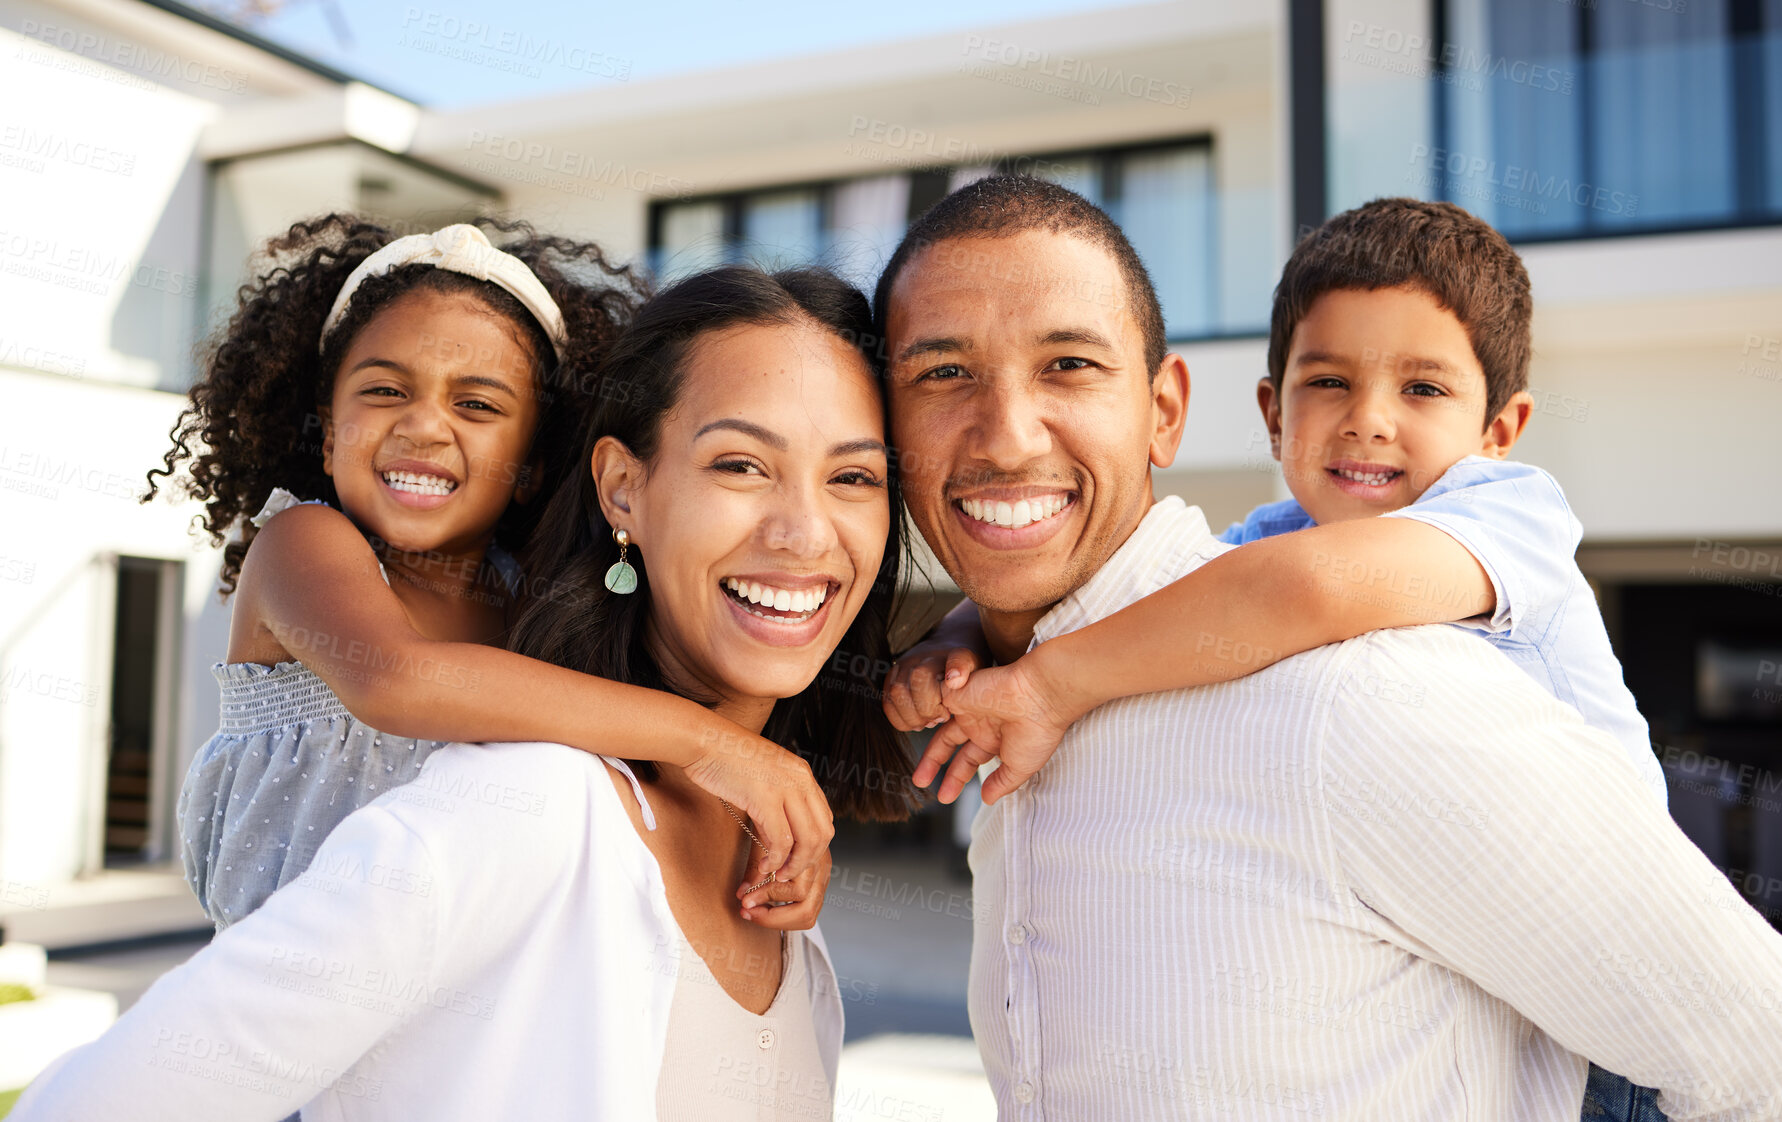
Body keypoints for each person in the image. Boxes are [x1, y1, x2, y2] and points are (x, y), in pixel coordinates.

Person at [875, 175, 1782, 1118]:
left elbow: (1757, 1055)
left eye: (1068, 365)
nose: (1009, 437)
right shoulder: (1216, 594)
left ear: (1165, 412)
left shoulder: (1379, 669)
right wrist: (963, 637)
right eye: (943, 373)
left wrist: (1047, 683)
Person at [12, 264, 917, 1120]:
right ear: (619, 490)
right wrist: (714, 742)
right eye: (740, 464)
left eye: (853, 476)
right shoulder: (319, 556)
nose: (803, 532)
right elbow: (399, 680)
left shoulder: (519, 629)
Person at [145, 217, 835, 939]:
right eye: (385, 391)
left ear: (534, 461)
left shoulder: (532, 600)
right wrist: (709, 742)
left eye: (475, 404)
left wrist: (778, 836)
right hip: (295, 1007)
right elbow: (397, 679)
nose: (423, 427)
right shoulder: (302, 543)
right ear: (326, 430)